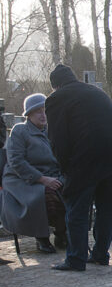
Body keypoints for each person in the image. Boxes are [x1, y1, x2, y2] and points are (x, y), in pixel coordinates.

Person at [46, 64, 112, 271]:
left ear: (55, 86)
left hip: (87, 158)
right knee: (107, 210)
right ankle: (100, 255)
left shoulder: (57, 99)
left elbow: (58, 138)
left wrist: (65, 168)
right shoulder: (96, 92)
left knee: (76, 209)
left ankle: (76, 259)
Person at [0, 94, 67, 254]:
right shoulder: (20, 131)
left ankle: (61, 233)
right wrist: (42, 179)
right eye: (38, 111)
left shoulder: (51, 132)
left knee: (70, 190)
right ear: (28, 114)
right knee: (43, 196)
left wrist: (61, 176)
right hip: (22, 179)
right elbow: (16, 161)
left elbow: (61, 158)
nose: (43, 115)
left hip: (51, 176)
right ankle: (41, 237)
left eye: (45, 110)